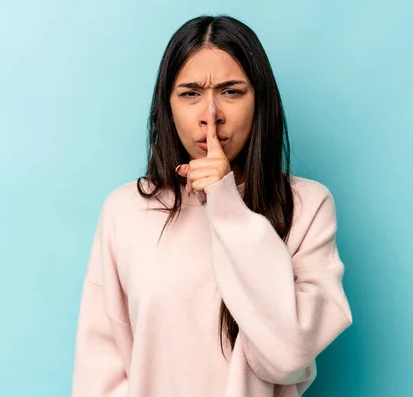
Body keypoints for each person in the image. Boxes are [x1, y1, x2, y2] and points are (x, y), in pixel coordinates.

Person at [71, 14, 352, 397]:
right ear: (167, 106)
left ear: (260, 101)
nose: (210, 115)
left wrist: (225, 202)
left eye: (231, 91)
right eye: (190, 93)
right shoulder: (125, 210)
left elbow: (287, 357)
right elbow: (98, 373)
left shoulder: (306, 206)